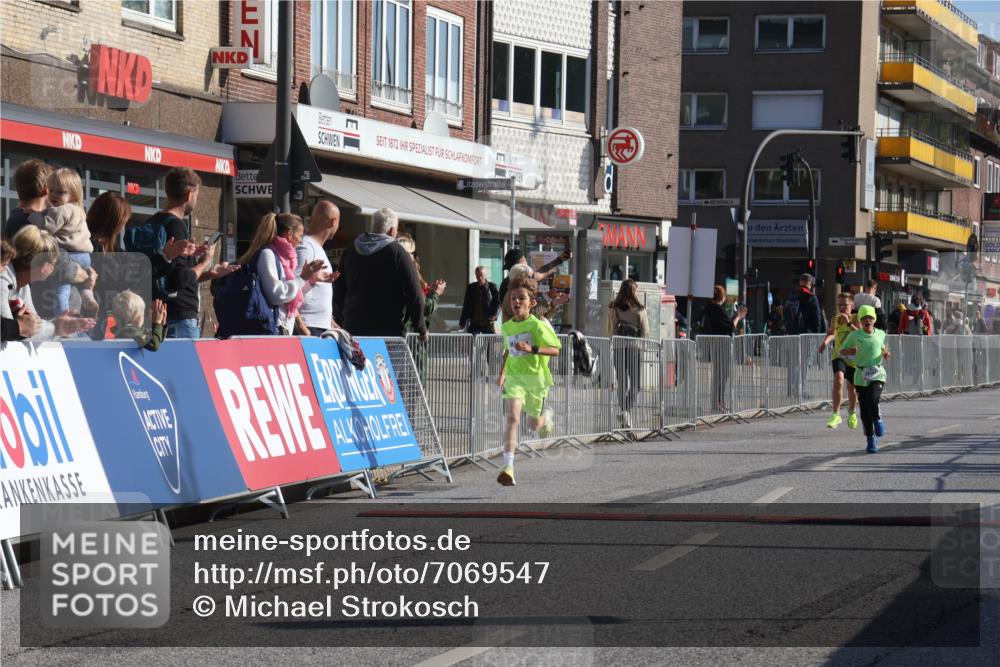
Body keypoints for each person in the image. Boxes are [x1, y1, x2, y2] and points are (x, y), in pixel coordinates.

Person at [142, 167, 237, 339]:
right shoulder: (176, 225)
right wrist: (204, 262)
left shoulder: (153, 221)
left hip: (159, 314)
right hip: (180, 318)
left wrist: (210, 273)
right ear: (189, 194)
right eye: (197, 195)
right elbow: (180, 279)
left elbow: (171, 274)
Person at [4, 159, 93, 320]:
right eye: (54, 188)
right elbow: (64, 267)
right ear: (46, 189)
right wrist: (86, 277)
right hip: (48, 315)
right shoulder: (34, 224)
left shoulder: (16, 220)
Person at [496, 276, 561, 486]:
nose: (516, 302)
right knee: (512, 417)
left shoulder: (537, 325)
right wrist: (502, 373)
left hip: (535, 380)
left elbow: (556, 350)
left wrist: (532, 349)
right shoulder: (507, 327)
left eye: (521, 298)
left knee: (533, 425)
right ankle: (508, 467)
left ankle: (546, 418)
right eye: (513, 298)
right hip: (515, 378)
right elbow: (508, 350)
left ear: (531, 303)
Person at [333, 207, 426, 338]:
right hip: (387, 330)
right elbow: (414, 293)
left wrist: (341, 320)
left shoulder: (350, 249)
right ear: (392, 230)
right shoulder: (398, 252)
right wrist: (420, 327)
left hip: (353, 328)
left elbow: (339, 289)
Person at [237, 212, 331, 336]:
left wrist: (311, 280)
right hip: (271, 329)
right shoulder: (268, 254)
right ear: (289, 234)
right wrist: (302, 278)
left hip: (282, 329)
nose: (301, 241)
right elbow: (277, 295)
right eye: (300, 235)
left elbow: (293, 296)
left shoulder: (285, 260)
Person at [1, 226, 94, 340]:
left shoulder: (24, 286)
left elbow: (33, 326)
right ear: (44, 267)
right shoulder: (3, 280)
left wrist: (56, 326)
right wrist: (56, 328)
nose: (54, 268)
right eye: (54, 263)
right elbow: (12, 332)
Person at [27, 167, 96, 315]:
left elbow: (47, 225)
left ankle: (62, 314)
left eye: (61, 192)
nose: (54, 195)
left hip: (68, 255)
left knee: (61, 289)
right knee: (83, 284)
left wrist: (33, 215)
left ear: (73, 194)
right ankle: (88, 297)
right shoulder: (78, 210)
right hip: (85, 256)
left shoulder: (61, 210)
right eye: (51, 190)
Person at [840, 305, 891, 454]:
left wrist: (886, 353)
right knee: (864, 409)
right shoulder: (854, 336)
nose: (867, 320)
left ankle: (878, 419)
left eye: (870, 318)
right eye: (864, 318)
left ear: (874, 319)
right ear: (860, 321)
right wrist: (850, 351)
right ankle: (871, 438)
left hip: (877, 373)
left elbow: (882, 347)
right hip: (861, 374)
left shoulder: (881, 333)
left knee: (873, 399)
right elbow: (842, 351)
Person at [608, 278, 650, 429]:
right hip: (634, 347)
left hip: (619, 347)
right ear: (634, 291)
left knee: (622, 383)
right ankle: (626, 411)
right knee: (636, 384)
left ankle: (624, 412)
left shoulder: (614, 307)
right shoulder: (640, 309)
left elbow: (612, 329)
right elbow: (645, 331)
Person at [295, 201, 341, 336]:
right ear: (333, 222)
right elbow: (292, 289)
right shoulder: (306, 248)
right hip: (309, 326)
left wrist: (331, 323)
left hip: (317, 326)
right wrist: (303, 328)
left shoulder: (314, 247)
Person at [699, 285, 747, 413]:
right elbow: (730, 327)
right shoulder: (717, 310)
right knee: (721, 375)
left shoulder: (708, 309)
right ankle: (717, 403)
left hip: (713, 345)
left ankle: (718, 402)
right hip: (721, 346)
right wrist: (738, 317)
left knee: (719, 375)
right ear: (721, 297)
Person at [817, 292, 859, 429]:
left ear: (852, 305)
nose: (841, 307)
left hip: (853, 357)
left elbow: (860, 335)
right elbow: (831, 333)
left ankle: (852, 412)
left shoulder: (856, 318)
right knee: (839, 378)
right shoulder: (835, 319)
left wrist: (848, 323)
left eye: (845, 305)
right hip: (839, 355)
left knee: (852, 388)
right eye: (839, 305)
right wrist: (825, 343)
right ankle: (836, 414)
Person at [497, 247, 571, 306]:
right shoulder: (515, 288)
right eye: (525, 260)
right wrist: (550, 299)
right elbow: (530, 313)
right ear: (520, 264)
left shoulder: (519, 280)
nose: (526, 263)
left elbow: (542, 272)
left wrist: (559, 260)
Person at [0, 237, 40, 340]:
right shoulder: (2, 281)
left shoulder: (24, 287)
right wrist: (18, 326)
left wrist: (22, 322)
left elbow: (34, 323)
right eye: (3, 264)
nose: (4, 269)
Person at [459, 266, 500, 334]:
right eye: (477, 276)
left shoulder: (492, 287)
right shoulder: (471, 288)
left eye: (481, 275)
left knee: (490, 339)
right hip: (474, 322)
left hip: (487, 322)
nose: (479, 277)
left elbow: (498, 303)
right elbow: (466, 305)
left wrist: (494, 314)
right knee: (471, 339)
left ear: (485, 275)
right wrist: (462, 322)